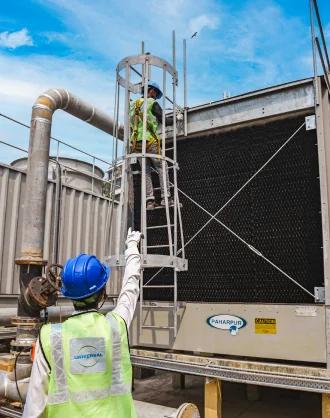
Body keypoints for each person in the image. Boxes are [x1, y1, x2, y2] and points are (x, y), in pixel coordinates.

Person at [22, 228, 141, 418]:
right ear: (102, 293)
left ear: (68, 294)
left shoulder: (50, 336)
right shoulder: (116, 326)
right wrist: (132, 248)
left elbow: (34, 406)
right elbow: (130, 290)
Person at [130, 81, 180, 210]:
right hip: (150, 140)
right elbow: (165, 121)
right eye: (155, 93)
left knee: (145, 171)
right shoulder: (152, 103)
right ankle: (166, 198)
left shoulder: (133, 105)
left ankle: (149, 201)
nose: (155, 95)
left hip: (136, 143)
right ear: (150, 90)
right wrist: (177, 118)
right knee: (162, 166)